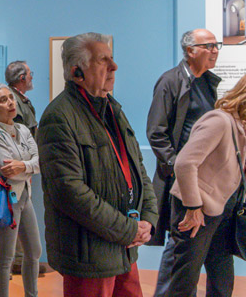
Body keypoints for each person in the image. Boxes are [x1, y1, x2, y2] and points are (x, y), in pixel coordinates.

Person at [38, 32, 157, 297]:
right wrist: (128, 229)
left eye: (112, 59)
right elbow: (68, 192)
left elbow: (138, 169)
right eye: (103, 61)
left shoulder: (113, 110)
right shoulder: (58, 117)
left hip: (124, 247)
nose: (114, 67)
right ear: (77, 72)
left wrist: (148, 218)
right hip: (89, 254)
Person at [147, 29, 221, 297]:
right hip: (182, 177)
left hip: (206, 178)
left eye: (217, 45)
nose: (215, 50)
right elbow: (156, 132)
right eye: (209, 45)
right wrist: (178, 169)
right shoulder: (170, 81)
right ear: (191, 51)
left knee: (198, 246)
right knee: (180, 244)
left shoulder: (208, 82)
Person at [164, 74, 246, 297]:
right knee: (185, 279)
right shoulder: (219, 121)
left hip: (222, 211)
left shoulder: (240, 127)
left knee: (222, 281)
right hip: (196, 209)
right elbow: (184, 162)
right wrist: (193, 207)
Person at [0, 83, 41, 297]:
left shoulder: (23, 129)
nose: (10, 103)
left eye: (11, 98)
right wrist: (29, 166)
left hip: (25, 197)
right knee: (5, 258)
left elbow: (38, 162)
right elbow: (9, 172)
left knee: (34, 252)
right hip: (6, 201)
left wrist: (23, 166)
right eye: (3, 100)